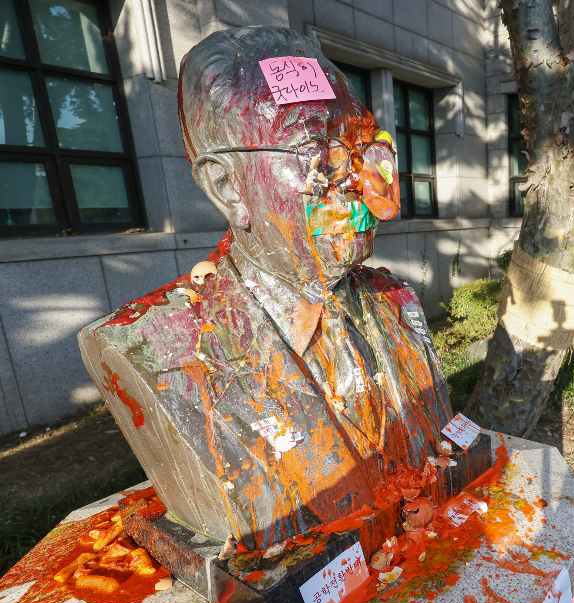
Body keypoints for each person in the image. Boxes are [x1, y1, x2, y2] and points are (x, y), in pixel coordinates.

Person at [77, 28, 452, 551]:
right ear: (227, 186)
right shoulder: (159, 349)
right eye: (316, 153)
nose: (360, 180)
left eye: (364, 146)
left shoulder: (399, 302)